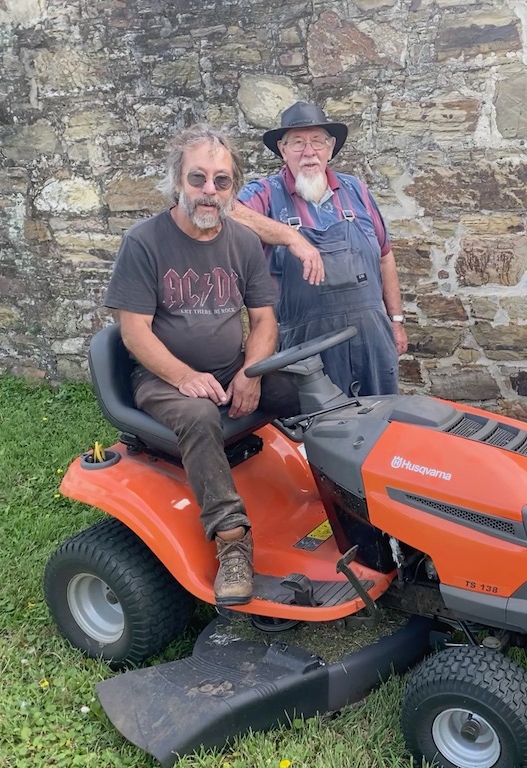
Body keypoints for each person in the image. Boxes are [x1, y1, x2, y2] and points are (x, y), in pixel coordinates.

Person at [103, 123, 305, 606]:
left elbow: (263, 321)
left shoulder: (241, 241)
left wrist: (251, 372)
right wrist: (184, 377)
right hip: (161, 378)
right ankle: (232, 543)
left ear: (233, 187)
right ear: (178, 182)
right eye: (198, 179)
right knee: (198, 416)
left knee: (304, 387)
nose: (209, 191)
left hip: (232, 368)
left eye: (221, 181)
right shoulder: (144, 242)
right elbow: (134, 332)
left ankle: (338, 497)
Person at [234, 101, 408, 397]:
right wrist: (291, 237)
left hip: (372, 339)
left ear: (330, 148)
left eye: (317, 141)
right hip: (305, 350)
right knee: (319, 433)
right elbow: (225, 210)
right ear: (283, 149)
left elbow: (384, 257)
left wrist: (396, 321)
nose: (309, 152)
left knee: (382, 425)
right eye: (298, 143)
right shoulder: (264, 194)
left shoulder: (357, 191)